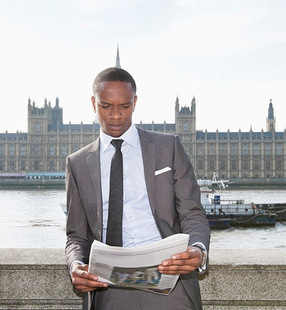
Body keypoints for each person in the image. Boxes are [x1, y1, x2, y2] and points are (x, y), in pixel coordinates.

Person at [65, 67, 210, 309]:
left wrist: (197, 250)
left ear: (135, 102)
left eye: (124, 106)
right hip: (109, 286)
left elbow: (192, 212)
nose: (115, 115)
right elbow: (76, 235)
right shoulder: (77, 163)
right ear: (93, 103)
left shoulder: (168, 147)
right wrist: (75, 265)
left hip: (168, 279)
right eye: (106, 106)